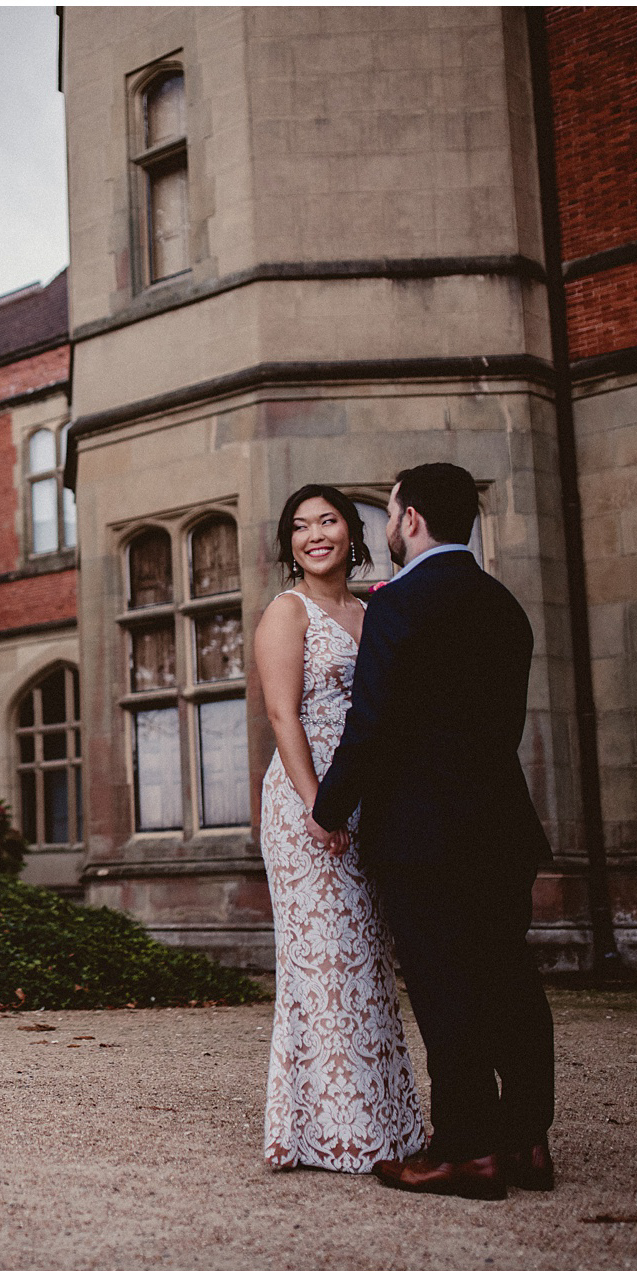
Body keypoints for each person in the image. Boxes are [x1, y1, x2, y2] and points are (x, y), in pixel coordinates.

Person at [311, 462, 556, 1202]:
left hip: (424, 832)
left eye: (388, 514)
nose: (386, 527)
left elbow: (372, 722)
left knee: (447, 989)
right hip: (502, 826)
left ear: (410, 519)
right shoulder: (504, 604)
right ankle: (527, 1142)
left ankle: (466, 1151)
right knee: (509, 978)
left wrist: (328, 807)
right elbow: (498, 727)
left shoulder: (400, 604)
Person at [255, 484, 427, 1173]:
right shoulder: (285, 611)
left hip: (366, 794)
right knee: (324, 958)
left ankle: (386, 1124)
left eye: (326, 520)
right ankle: (335, 1134)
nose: (313, 535)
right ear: (289, 542)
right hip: (307, 801)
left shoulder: (370, 608)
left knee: (366, 961)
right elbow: (281, 715)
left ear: (353, 532)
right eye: (299, 526)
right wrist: (318, 806)